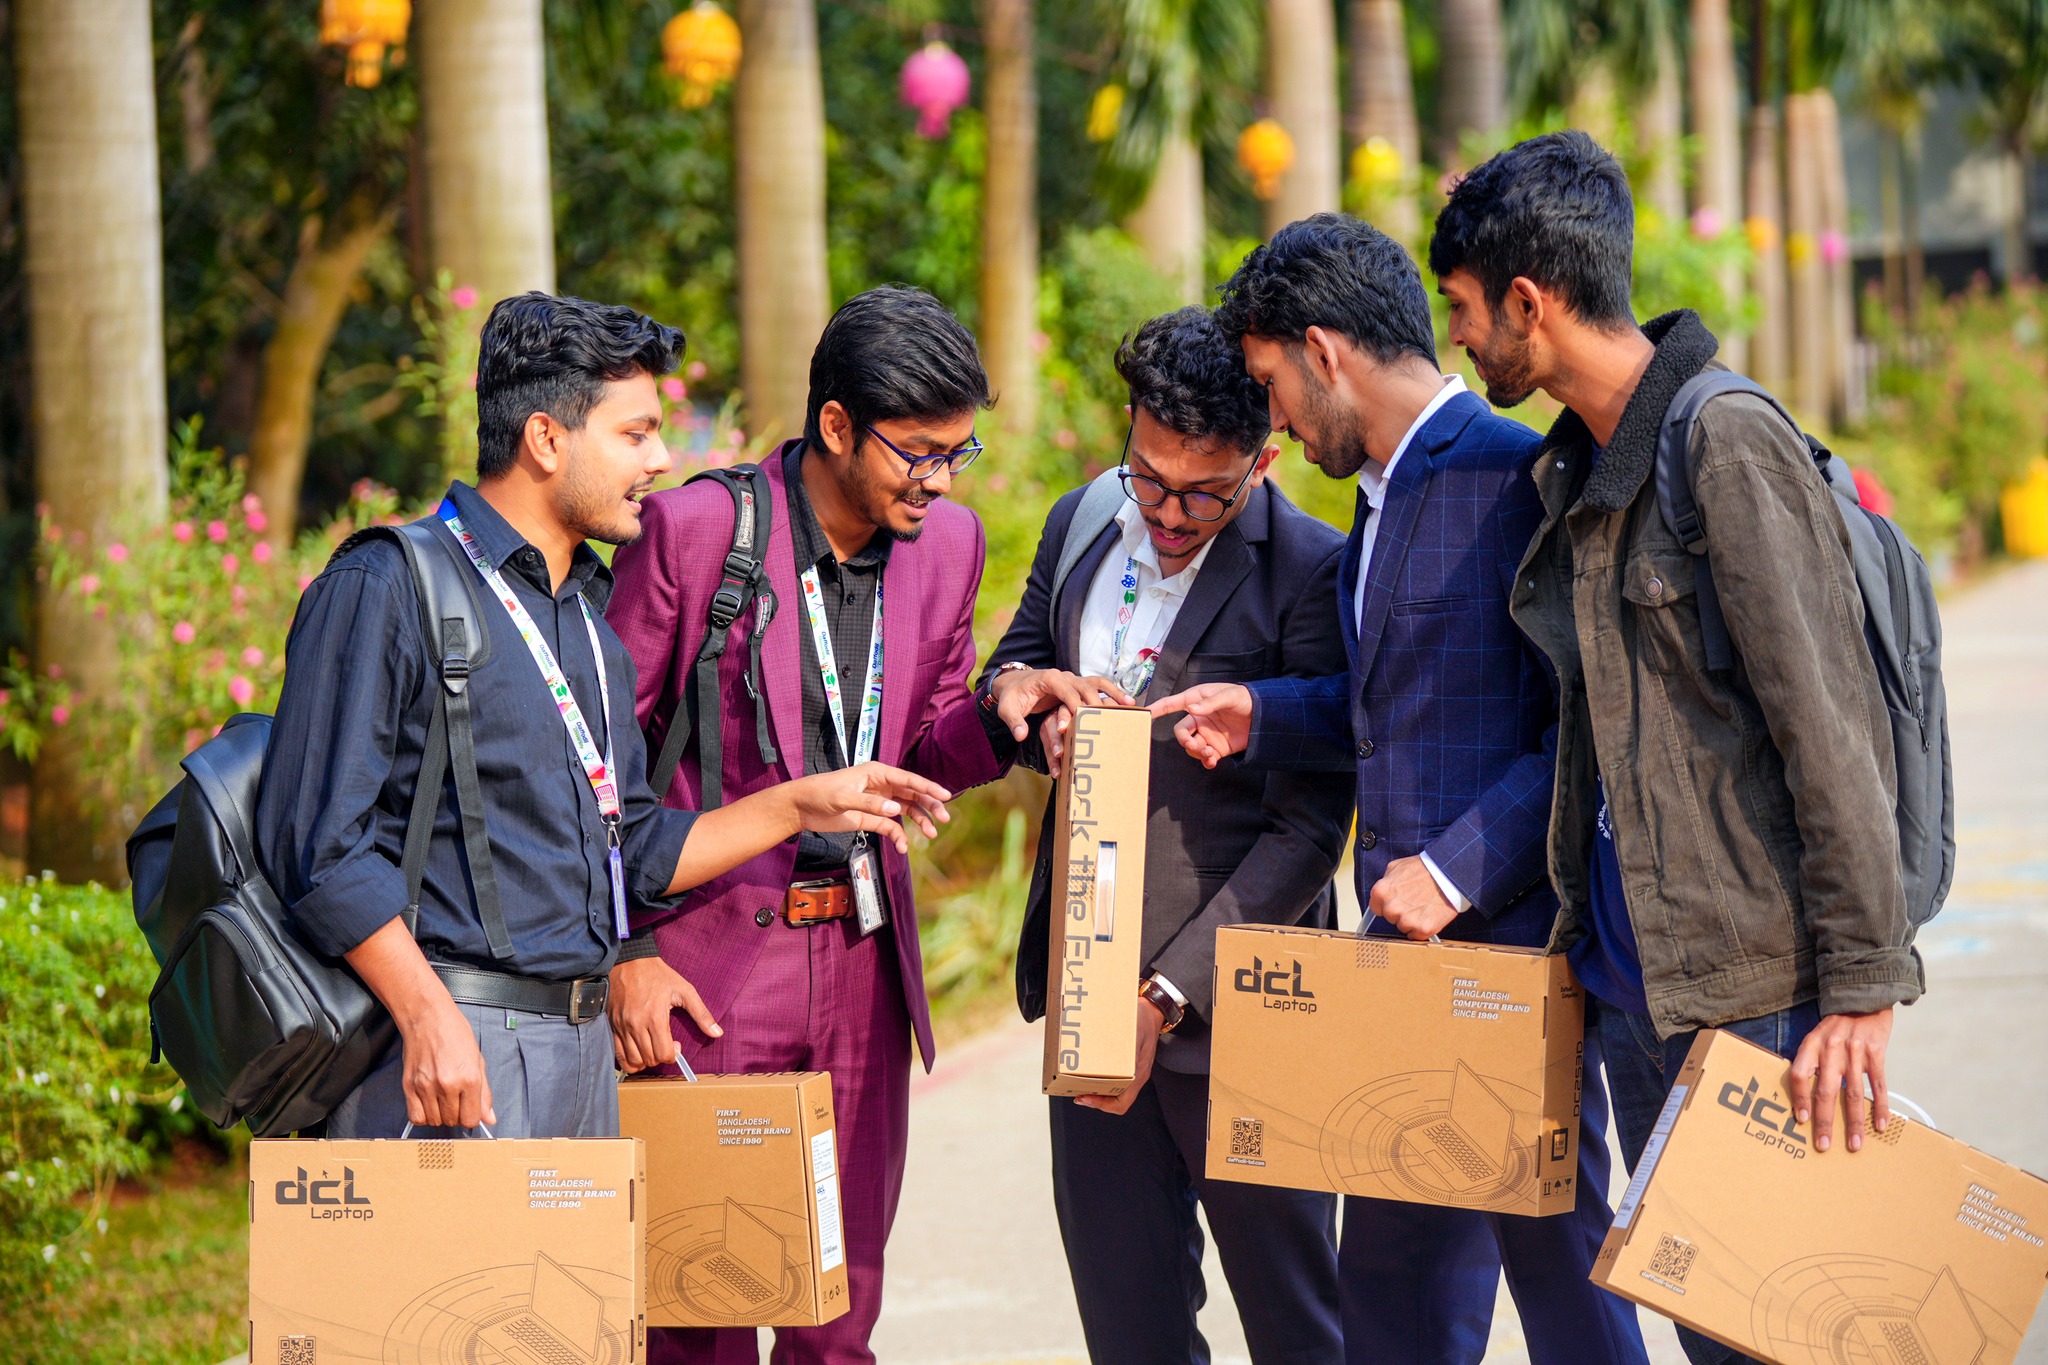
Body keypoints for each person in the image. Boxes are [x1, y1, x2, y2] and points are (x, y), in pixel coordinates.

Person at [1428, 131, 1921, 1365]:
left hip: (1750, 996)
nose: (1460, 339)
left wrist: (1859, 984)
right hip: (1635, 991)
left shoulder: (1721, 441)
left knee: (1776, 1342)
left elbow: (1829, 726)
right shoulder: (1580, 465)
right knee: (1709, 1336)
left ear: (1528, 305)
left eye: (1464, 310)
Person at [256, 291, 948, 1142]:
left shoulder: (586, 619)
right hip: (447, 1057)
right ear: (546, 438)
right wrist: (427, 1015)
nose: (660, 459)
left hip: (581, 1057)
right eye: (634, 433)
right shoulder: (389, 584)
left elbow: (636, 848)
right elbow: (316, 844)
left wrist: (800, 804)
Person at [1153, 214, 1647, 1365]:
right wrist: (1264, 713)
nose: (1269, 415)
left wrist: (1457, 867)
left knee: (1565, 1287)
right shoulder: (1373, 500)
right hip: (1398, 968)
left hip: (1511, 962)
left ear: (1321, 353)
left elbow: (1584, 729)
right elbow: (1406, 711)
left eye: (1270, 381)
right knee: (1389, 1305)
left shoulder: (1508, 473)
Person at [606, 285, 1101, 1365]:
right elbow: (591, 763)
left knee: (840, 1319)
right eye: (917, 453)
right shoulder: (697, 533)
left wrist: (997, 716)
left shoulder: (949, 544)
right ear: (835, 426)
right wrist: (626, 954)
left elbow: (919, 741)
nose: (939, 481)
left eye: (957, 454)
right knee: (700, 1314)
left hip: (863, 964)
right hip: (713, 968)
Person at [981, 306, 1350, 1365]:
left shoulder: (1314, 574)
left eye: (1204, 491)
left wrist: (1164, 998)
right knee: (1128, 1328)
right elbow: (1005, 671)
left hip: (1242, 1013)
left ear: (1264, 457)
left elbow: (1310, 823)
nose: (1169, 512)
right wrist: (1031, 700)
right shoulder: (1081, 522)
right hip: (1084, 1000)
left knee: (1296, 1327)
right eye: (1148, 477)